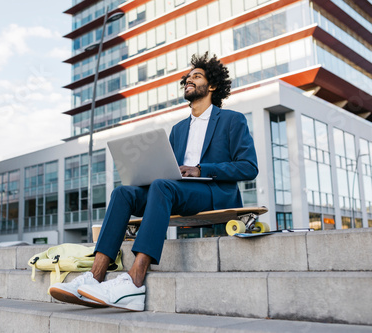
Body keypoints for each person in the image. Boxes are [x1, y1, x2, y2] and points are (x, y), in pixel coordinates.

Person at [50, 52, 258, 311]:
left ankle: (135, 283)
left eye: (196, 76)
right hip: (176, 191)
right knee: (123, 193)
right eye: (187, 78)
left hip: (213, 192)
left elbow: (249, 167)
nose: (188, 81)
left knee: (162, 186)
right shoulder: (179, 129)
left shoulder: (231, 120)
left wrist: (200, 169)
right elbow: (166, 170)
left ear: (212, 85)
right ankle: (95, 276)